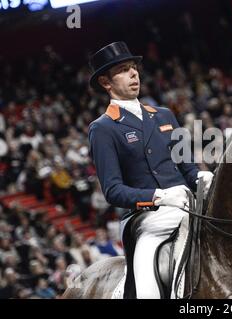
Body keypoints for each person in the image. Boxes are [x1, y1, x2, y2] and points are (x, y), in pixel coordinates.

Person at [87, 42, 213, 299]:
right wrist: (160, 197)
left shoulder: (165, 115)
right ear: (105, 82)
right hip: (146, 219)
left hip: (189, 207)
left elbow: (188, 169)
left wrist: (202, 176)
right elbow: (113, 190)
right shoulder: (103, 128)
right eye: (123, 70)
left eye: (134, 68)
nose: (134, 74)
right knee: (146, 293)